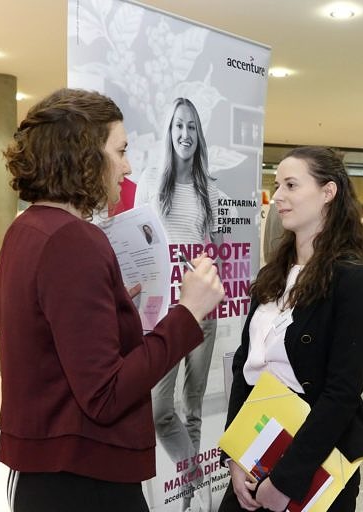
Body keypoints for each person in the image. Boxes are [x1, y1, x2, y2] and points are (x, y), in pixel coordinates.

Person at [0, 88, 225, 512]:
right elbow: (105, 395)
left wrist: (115, 311)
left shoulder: (26, 230)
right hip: (84, 482)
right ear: (84, 155)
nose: (128, 166)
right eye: (120, 151)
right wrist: (188, 313)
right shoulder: (72, 240)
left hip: (50, 474)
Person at [220, 146, 363, 511]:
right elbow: (245, 366)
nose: (278, 196)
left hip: (313, 456)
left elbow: (342, 391)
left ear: (328, 192)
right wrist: (235, 455)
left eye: (291, 185)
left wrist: (286, 480)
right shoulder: (273, 274)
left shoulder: (352, 278)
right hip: (257, 444)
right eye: (277, 185)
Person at [136, 97, 222, 508]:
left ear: (198, 135)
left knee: (193, 408)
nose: (185, 134)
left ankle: (189, 502)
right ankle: (197, 480)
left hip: (202, 310)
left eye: (191, 127)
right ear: (169, 132)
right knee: (159, 409)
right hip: (165, 313)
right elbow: (138, 241)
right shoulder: (153, 182)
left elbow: (214, 248)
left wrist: (203, 263)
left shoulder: (210, 190)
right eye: (178, 126)